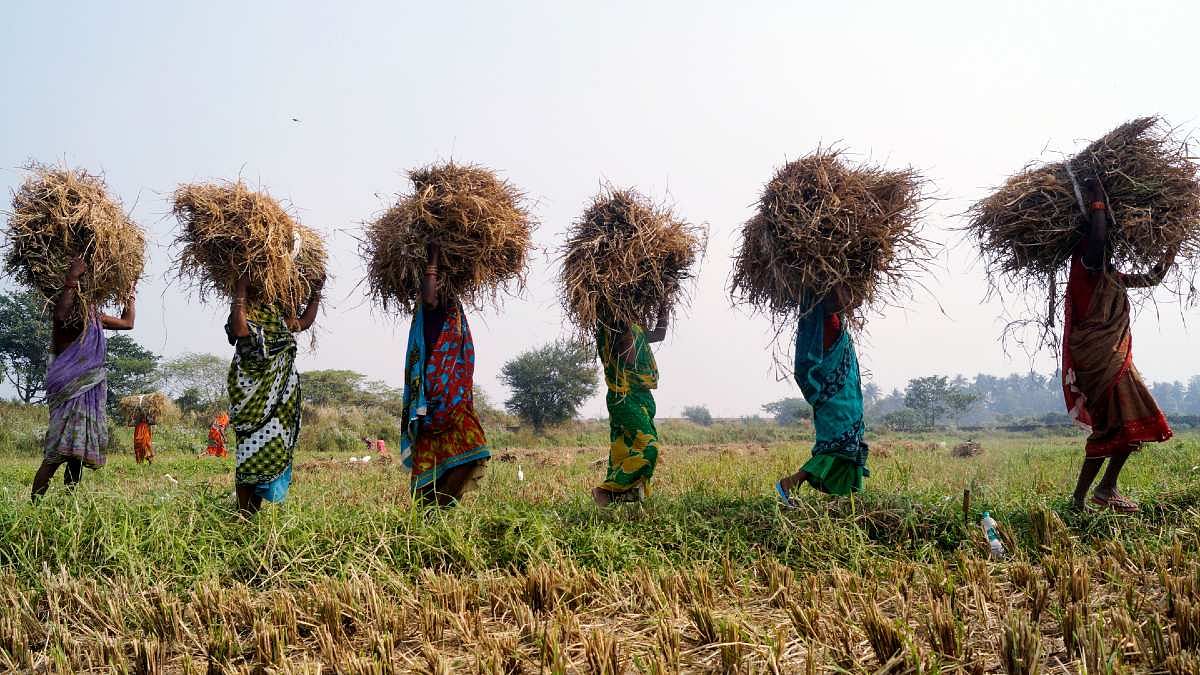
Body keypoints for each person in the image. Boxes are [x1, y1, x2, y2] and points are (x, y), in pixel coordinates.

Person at [1063, 179, 1174, 513]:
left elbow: (1154, 278)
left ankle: (1101, 490)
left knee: (1130, 423)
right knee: (1114, 425)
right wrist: (1098, 201)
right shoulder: (1085, 265)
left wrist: (1172, 243)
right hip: (1098, 360)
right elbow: (1097, 239)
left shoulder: (1112, 276)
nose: (1109, 246)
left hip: (1114, 360)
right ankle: (1086, 497)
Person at [31, 257, 136, 500]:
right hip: (68, 391)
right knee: (55, 454)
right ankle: (33, 508)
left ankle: (69, 505)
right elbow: (60, 315)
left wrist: (130, 293)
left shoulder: (93, 317)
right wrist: (72, 278)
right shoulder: (64, 319)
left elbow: (128, 323)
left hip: (88, 391)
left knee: (77, 453)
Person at [227, 271, 323, 516]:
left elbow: (302, 323)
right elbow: (239, 330)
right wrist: (241, 288)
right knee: (248, 455)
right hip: (252, 397)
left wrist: (316, 293)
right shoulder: (246, 309)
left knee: (267, 455)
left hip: (280, 401)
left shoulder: (278, 313)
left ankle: (252, 513)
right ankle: (243, 514)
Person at [400, 244, 489, 506]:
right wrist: (434, 256)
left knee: (474, 449)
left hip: (454, 398)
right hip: (432, 395)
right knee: (455, 452)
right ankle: (432, 509)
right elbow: (429, 297)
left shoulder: (454, 309)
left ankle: (440, 505)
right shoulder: (430, 306)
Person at [775, 284, 869, 506]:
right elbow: (849, 300)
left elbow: (852, 301)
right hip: (833, 396)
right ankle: (790, 483)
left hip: (845, 397)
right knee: (838, 444)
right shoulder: (822, 315)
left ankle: (846, 499)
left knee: (850, 442)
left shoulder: (835, 316)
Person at [591, 300, 670, 507]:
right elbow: (629, 357)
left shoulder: (633, 327)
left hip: (641, 396)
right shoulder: (612, 326)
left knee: (624, 449)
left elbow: (659, 335)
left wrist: (664, 306)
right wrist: (625, 321)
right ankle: (604, 491)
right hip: (623, 395)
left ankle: (619, 494)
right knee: (649, 446)